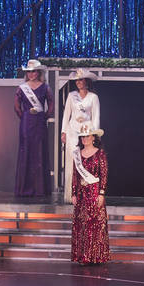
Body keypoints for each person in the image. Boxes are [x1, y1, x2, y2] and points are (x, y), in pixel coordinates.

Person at [60, 68, 100, 204]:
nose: (78, 82)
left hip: (86, 132)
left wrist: (94, 134)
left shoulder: (93, 97)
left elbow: (96, 117)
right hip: (72, 131)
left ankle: (85, 193)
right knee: (72, 161)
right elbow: (66, 115)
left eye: (81, 79)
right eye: (77, 80)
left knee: (85, 162)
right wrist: (63, 132)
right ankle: (71, 194)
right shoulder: (71, 96)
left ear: (87, 81)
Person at [13, 59, 53, 197]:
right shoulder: (21, 88)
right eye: (29, 72)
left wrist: (45, 116)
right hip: (26, 123)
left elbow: (51, 103)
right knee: (26, 152)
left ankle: (40, 189)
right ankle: (25, 189)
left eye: (34, 71)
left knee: (39, 151)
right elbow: (16, 107)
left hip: (40, 123)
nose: (31, 74)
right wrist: (25, 116)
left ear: (39, 72)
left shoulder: (45, 87)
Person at [71, 123, 108, 264]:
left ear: (93, 137)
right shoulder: (77, 155)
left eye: (87, 136)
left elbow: (104, 174)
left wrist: (101, 193)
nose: (85, 139)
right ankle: (82, 256)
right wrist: (74, 193)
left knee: (95, 224)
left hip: (94, 192)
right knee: (82, 224)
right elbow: (75, 175)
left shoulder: (100, 153)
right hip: (81, 194)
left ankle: (96, 256)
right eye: (82, 137)